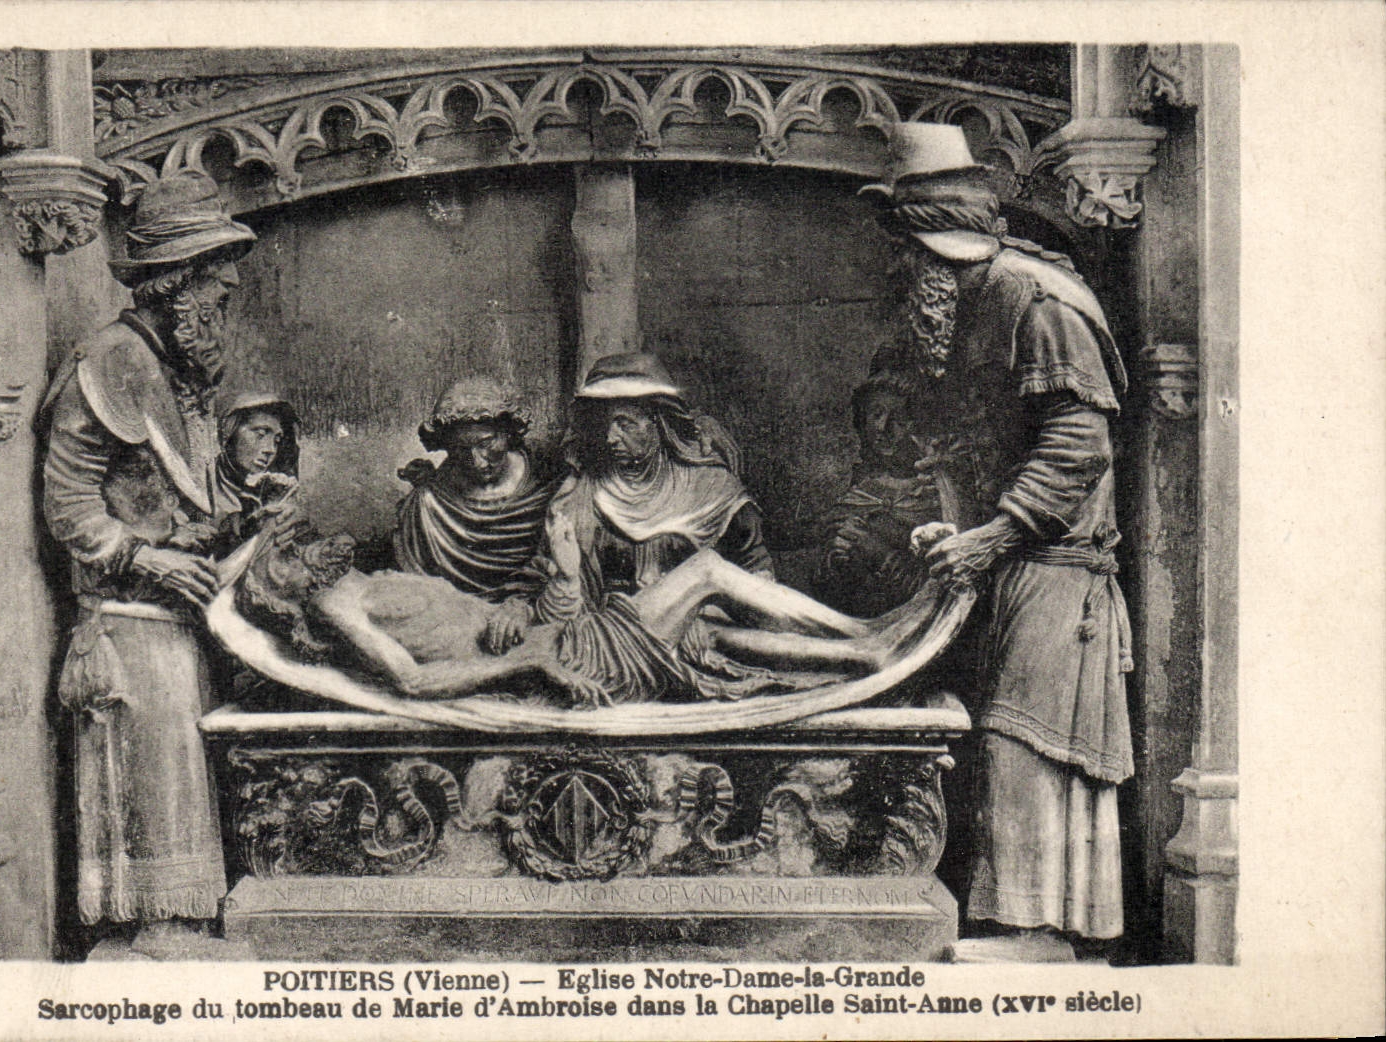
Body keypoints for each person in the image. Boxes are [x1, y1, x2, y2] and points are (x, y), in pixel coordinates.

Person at [866, 123, 1134, 945]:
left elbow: (1077, 445)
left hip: (1056, 568)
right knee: (994, 739)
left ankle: (1040, 931)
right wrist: (960, 525)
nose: (896, 271)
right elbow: (987, 441)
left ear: (930, 244)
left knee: (1025, 744)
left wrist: (993, 535)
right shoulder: (975, 300)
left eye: (902, 251)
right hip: (1013, 559)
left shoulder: (1036, 300)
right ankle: (1017, 921)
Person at [41, 173, 271, 945]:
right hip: (128, 620)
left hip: (180, 614)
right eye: (215, 279)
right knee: (155, 775)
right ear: (177, 282)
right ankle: (154, 931)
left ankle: (180, 923)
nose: (227, 290)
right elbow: (68, 503)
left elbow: (180, 495)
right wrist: (148, 560)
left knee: (181, 773)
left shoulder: (174, 367)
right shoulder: (111, 360)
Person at [237, 516, 916, 710]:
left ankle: (862, 653)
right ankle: (862, 631)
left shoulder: (360, 579)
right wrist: (528, 665)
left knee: (706, 634)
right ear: (285, 591)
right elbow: (413, 682)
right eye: (282, 557)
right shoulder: (339, 609)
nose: (298, 545)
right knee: (706, 573)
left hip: (556, 638)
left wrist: (515, 607)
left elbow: (465, 618)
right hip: (567, 659)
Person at [488, 353, 770, 658]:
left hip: (701, 640)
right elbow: (546, 571)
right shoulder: (578, 494)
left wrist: (701, 614)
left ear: (658, 422)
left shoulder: (713, 489)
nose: (611, 438)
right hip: (609, 643)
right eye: (605, 425)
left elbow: (758, 581)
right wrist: (518, 607)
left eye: (625, 424)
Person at [392, 375, 553, 600]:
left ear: (508, 432)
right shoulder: (429, 505)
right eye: (461, 449)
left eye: (486, 443)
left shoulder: (545, 487)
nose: (477, 462)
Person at [822, 369, 947, 617]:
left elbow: (945, 591)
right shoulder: (858, 493)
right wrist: (836, 559)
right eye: (876, 415)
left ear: (919, 426)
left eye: (899, 419)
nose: (883, 427)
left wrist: (879, 554)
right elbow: (824, 587)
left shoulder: (939, 497)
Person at [214, 391, 301, 549]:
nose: (270, 450)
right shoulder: (205, 485)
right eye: (260, 435)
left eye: (276, 440)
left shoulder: (272, 489)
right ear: (229, 432)